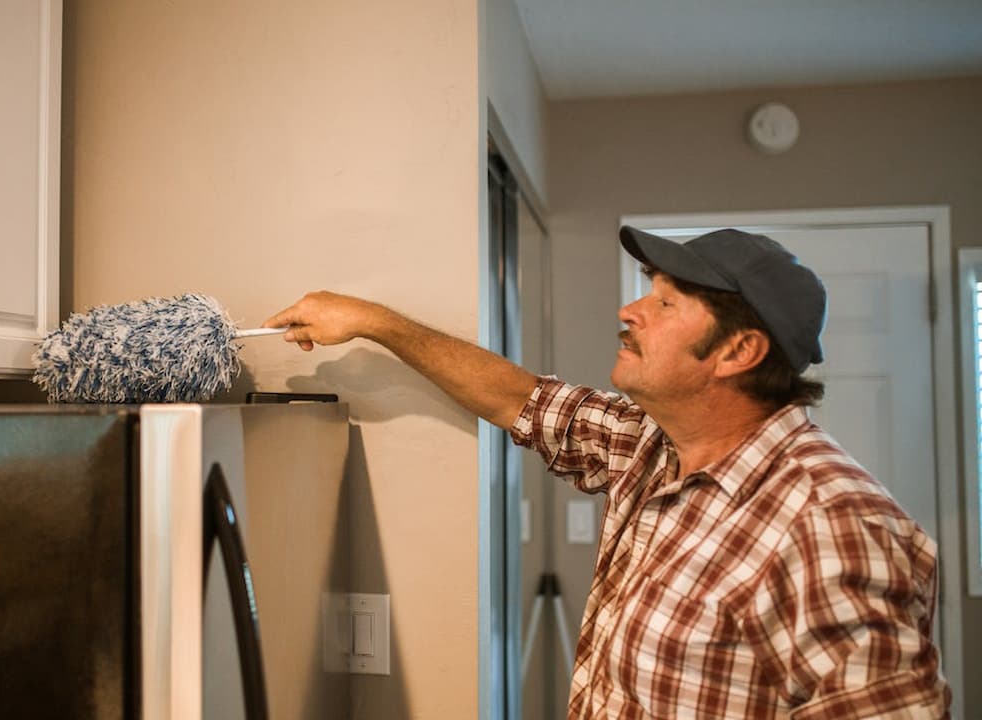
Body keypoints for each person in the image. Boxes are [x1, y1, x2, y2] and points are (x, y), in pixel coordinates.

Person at [262, 226, 950, 718]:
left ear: (738, 350)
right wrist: (372, 322)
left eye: (668, 302)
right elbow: (518, 398)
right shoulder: (653, 445)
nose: (631, 310)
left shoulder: (831, 526)